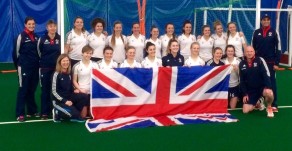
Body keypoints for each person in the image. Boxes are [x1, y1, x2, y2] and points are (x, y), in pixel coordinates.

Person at [252, 14, 281, 112]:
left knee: (271, 82)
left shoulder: (274, 32)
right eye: (264, 20)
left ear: (269, 21)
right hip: (259, 62)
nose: (266, 21)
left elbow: (278, 49)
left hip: (270, 63)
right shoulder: (256, 32)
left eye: (268, 20)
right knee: (258, 82)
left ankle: (274, 104)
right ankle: (259, 102)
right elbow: (253, 48)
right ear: (261, 21)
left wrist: (276, 63)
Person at [14, 16, 39, 122]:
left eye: (33, 24)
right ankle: (20, 113)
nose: (31, 26)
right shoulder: (21, 36)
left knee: (31, 89)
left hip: (35, 68)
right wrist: (19, 66)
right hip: (24, 67)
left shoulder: (37, 37)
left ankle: (31, 110)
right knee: (23, 89)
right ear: (25, 25)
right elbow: (16, 53)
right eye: (29, 24)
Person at [239, 46, 274, 118]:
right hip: (250, 90)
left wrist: (268, 87)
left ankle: (269, 107)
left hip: (261, 87)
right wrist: (245, 94)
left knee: (269, 93)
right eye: (247, 52)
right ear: (244, 53)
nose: (249, 53)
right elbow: (241, 81)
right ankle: (259, 101)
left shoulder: (259, 60)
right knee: (245, 111)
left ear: (254, 52)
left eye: (251, 51)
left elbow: (265, 75)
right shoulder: (241, 63)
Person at [51, 54, 88, 122]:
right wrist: (65, 101)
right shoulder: (56, 74)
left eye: (67, 61)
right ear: (60, 62)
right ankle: (57, 112)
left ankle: (75, 113)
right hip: (59, 101)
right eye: (64, 61)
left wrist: (75, 90)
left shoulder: (69, 73)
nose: (66, 63)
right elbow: (54, 92)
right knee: (74, 114)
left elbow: (70, 86)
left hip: (69, 98)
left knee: (84, 96)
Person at [37, 19, 61, 119]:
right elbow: (39, 52)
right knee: (45, 90)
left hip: (56, 69)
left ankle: (55, 110)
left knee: (56, 90)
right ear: (47, 28)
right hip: (45, 69)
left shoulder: (59, 38)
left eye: (54, 26)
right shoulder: (42, 39)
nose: (53, 28)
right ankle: (44, 112)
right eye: (50, 26)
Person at [72, 45, 98, 118]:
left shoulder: (95, 65)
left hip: (92, 92)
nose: (88, 55)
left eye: (90, 53)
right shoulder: (77, 66)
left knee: (92, 115)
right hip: (82, 93)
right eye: (87, 53)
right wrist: (80, 90)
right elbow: (74, 80)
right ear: (82, 53)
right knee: (83, 115)